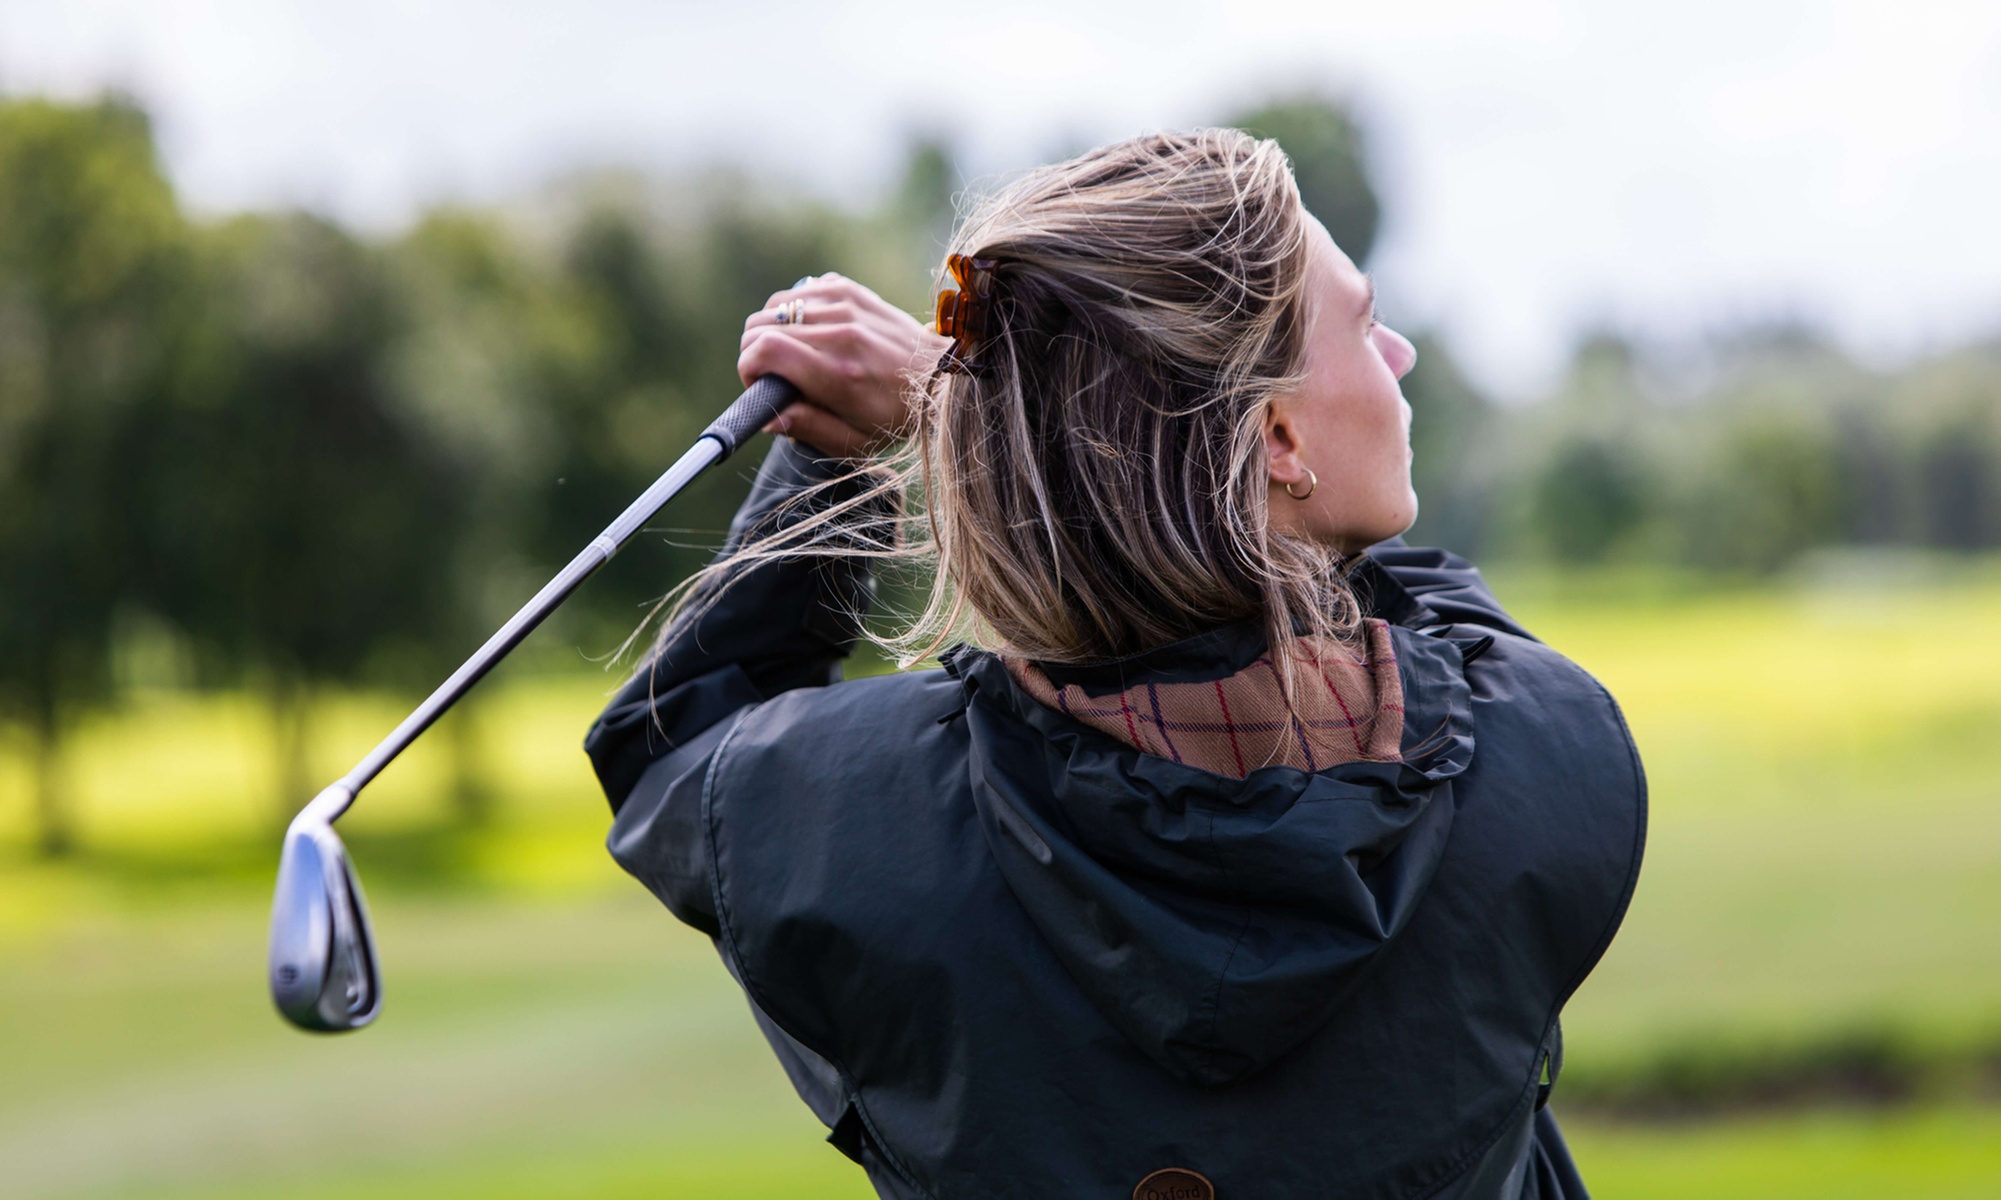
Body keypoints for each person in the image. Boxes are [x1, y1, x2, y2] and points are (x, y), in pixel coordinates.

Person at [585, 129, 1645, 1200]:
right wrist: (983, 415)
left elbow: (676, 750)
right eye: (1367, 326)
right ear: (1278, 443)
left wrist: (869, 450)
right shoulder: (1539, 763)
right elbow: (1431, 608)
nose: (1400, 354)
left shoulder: (866, 821)